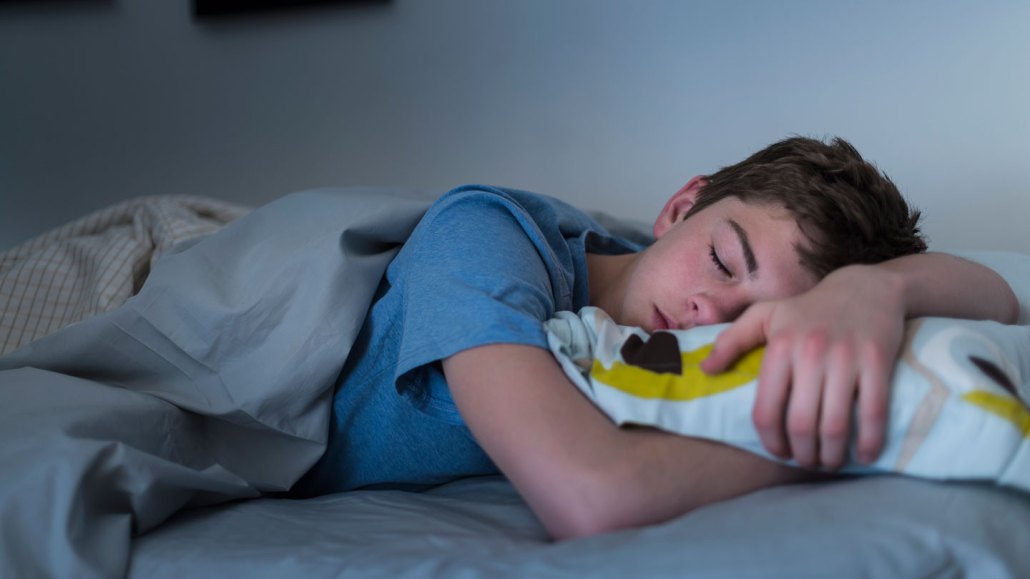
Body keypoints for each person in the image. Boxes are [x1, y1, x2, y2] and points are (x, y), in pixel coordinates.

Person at [296, 136, 1018, 540]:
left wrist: (874, 291)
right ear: (678, 207)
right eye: (723, 260)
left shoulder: (644, 322)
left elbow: (1004, 300)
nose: (710, 312)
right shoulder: (486, 241)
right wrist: (834, 439)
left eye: (749, 321)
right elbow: (591, 498)